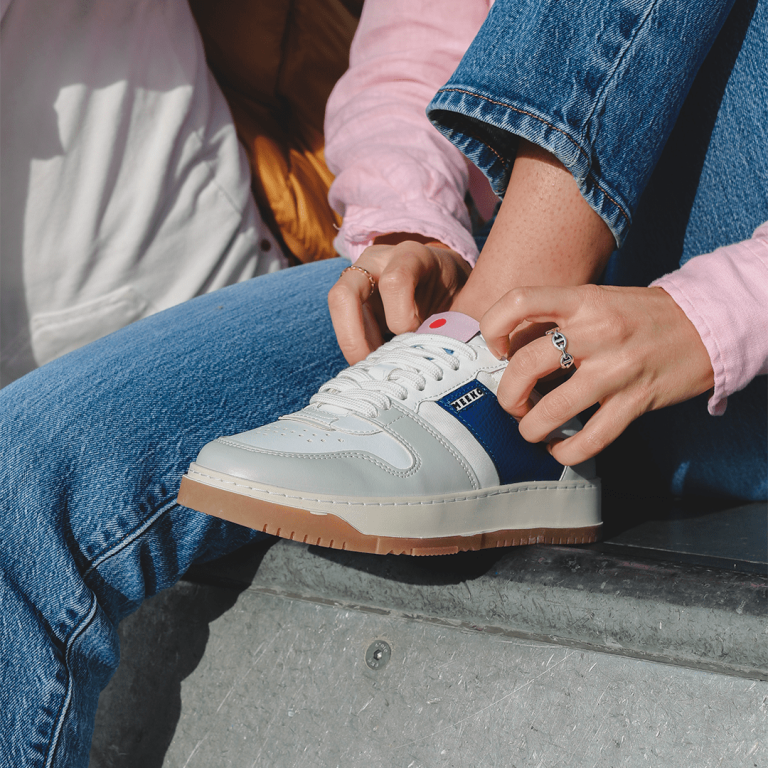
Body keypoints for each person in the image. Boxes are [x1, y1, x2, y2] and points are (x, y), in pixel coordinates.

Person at [1, 0, 766, 764]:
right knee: (19, 481)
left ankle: (505, 316)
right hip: (479, 294)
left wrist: (714, 315)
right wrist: (410, 222)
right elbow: (425, 31)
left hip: (724, 355)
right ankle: (498, 320)